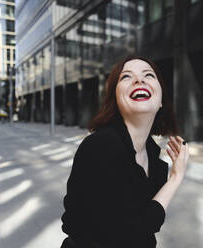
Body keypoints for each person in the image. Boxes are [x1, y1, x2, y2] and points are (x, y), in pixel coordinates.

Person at [60, 55, 190, 248]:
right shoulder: (99, 147)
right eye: (126, 77)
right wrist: (176, 178)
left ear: (161, 99)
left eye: (149, 75)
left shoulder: (153, 155)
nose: (140, 80)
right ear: (115, 100)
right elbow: (134, 231)